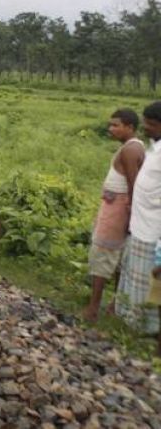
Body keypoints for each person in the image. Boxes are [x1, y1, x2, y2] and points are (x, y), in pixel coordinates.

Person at [82, 109, 145, 323]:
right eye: (110, 125)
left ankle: (93, 308)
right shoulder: (135, 147)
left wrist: (129, 215)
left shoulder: (129, 150)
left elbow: (133, 187)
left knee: (103, 253)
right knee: (118, 258)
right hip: (119, 208)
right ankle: (114, 306)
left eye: (116, 125)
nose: (111, 129)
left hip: (117, 210)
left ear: (129, 127)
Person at [116, 101, 161, 341]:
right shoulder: (155, 148)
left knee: (151, 284)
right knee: (137, 279)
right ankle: (133, 322)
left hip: (155, 231)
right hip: (140, 227)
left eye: (152, 124)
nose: (146, 128)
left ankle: (149, 331)